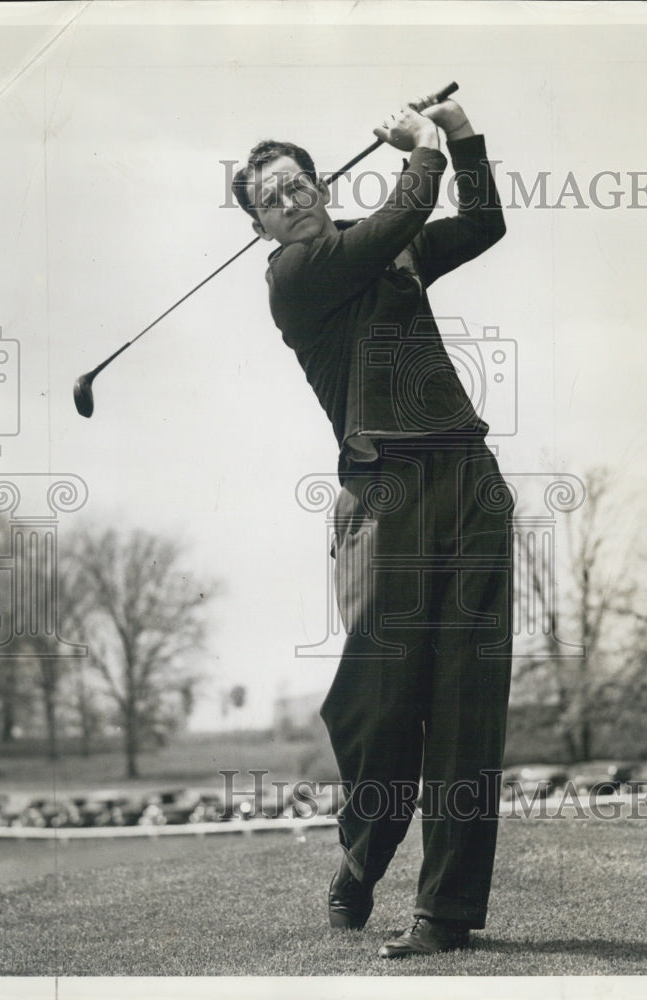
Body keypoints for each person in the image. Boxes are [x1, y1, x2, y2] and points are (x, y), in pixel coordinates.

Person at [232, 94, 513, 959]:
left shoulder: (383, 254)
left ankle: (446, 914)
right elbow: (404, 205)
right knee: (383, 703)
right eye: (269, 199)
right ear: (261, 228)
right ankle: (361, 859)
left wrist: (462, 139)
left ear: (318, 186)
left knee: (468, 700)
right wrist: (419, 147)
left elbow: (483, 223)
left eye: (295, 184)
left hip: (465, 473)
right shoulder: (295, 277)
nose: (288, 200)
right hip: (383, 489)